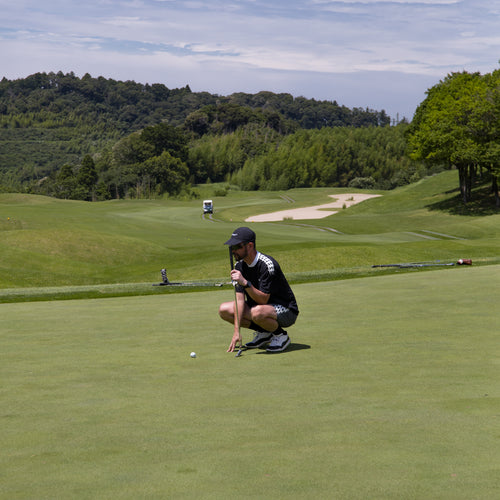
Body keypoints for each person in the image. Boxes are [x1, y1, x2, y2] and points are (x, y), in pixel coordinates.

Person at [219, 227, 299, 353]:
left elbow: (263, 299)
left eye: (236, 247)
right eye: (231, 247)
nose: (233, 251)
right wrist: (236, 332)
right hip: (261, 308)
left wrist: (245, 282)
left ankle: (280, 335)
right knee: (224, 310)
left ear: (249, 246)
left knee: (257, 312)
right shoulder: (238, 266)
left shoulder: (266, 264)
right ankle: (264, 332)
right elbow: (240, 301)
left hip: (286, 310)